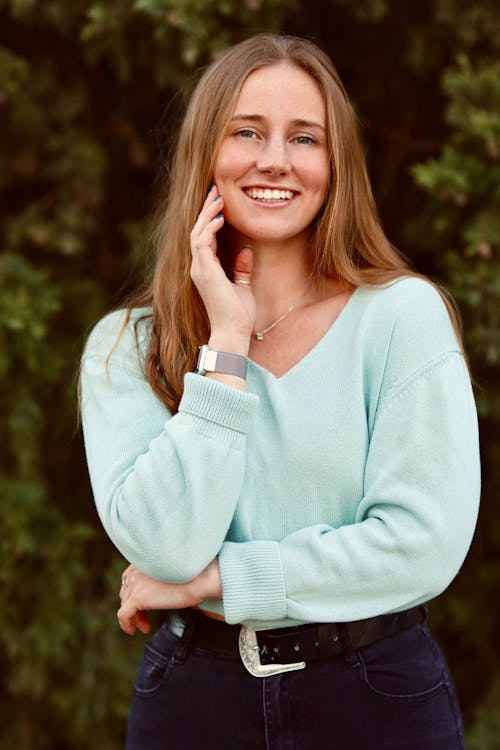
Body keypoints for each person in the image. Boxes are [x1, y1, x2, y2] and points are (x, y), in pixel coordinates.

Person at [80, 33, 480, 749]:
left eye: (305, 137)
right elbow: (165, 548)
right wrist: (226, 347)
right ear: (206, 153)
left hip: (376, 697)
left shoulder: (400, 318)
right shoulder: (127, 345)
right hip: (192, 705)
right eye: (247, 132)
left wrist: (218, 581)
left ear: (336, 165)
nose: (275, 159)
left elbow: (423, 544)